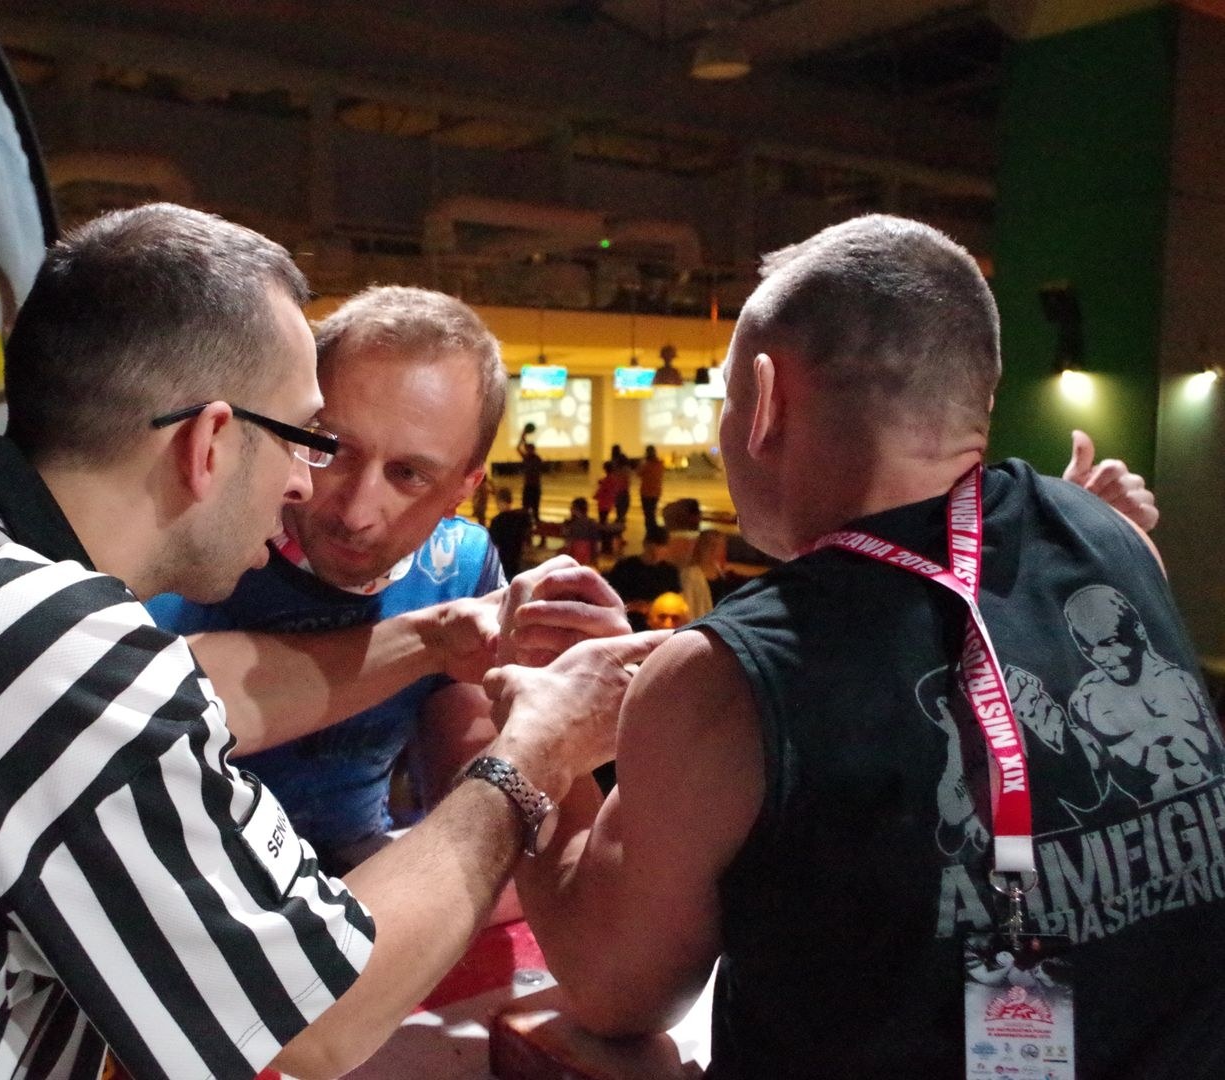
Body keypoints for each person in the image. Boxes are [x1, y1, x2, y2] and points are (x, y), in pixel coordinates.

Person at [0, 205, 652, 1080]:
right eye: (305, 438)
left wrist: (446, 641)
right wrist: (536, 753)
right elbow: (315, 1014)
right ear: (209, 441)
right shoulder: (74, 664)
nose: (307, 487)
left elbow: (184, 694)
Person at [513, 214, 1221, 1078]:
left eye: (725, 398)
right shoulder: (1118, 543)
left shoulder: (725, 678)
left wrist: (541, 746)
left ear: (766, 400)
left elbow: (613, 993)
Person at [147, 286, 629, 877]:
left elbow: (484, 812)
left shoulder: (459, 564)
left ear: (464, 490)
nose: (356, 513)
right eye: (331, 449)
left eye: (408, 474)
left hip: (353, 882)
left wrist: (556, 701)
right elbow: (143, 698)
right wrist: (433, 640)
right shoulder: (195, 531)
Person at [604, 528, 681, 630]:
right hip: (628, 622)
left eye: (660, 552)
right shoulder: (625, 567)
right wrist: (633, 606)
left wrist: (654, 607)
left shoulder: (670, 572)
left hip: (659, 625)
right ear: (645, 545)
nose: (655, 556)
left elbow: (677, 603)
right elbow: (609, 599)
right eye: (651, 552)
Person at [677, 528, 736, 621]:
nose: (723, 550)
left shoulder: (718, 569)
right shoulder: (691, 574)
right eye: (721, 546)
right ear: (709, 548)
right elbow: (688, 606)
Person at [488, 486, 533, 581]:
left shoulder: (497, 521)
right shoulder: (520, 518)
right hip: (516, 559)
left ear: (499, 501)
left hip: (503, 561)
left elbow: (494, 545)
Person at [561, 496, 601, 566]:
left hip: (574, 550)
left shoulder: (571, 523)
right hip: (586, 552)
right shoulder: (591, 522)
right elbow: (594, 542)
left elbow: (567, 538)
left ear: (575, 509)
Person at [638, 444, 665, 534]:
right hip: (656, 491)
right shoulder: (660, 464)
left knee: (648, 514)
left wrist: (642, 462)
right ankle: (653, 531)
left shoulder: (645, 464)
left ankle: (650, 531)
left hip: (646, 492)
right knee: (652, 512)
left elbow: (638, 473)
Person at [519, 439, 545, 524]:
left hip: (531, 486)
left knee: (531, 507)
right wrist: (523, 440)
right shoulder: (536, 458)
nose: (527, 451)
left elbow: (518, 448)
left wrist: (522, 439)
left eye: (528, 449)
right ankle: (534, 523)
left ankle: (530, 523)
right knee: (532, 507)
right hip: (533, 486)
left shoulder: (530, 458)